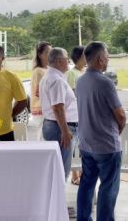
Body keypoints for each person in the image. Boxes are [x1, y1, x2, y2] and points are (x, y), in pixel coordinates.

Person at [76, 41, 126, 221]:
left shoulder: (80, 81)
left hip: (86, 143)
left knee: (87, 184)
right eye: (107, 55)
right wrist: (116, 132)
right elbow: (120, 115)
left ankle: (83, 218)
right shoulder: (105, 82)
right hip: (106, 146)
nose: (108, 59)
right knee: (108, 188)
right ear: (99, 59)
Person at [39, 47, 78, 181]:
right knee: (61, 171)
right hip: (59, 127)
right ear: (60, 61)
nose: (68, 62)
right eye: (67, 59)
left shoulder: (51, 77)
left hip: (55, 125)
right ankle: (58, 201)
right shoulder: (56, 79)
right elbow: (58, 108)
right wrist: (65, 131)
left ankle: (56, 200)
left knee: (58, 169)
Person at [66, 46, 86, 186]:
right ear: (78, 58)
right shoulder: (72, 73)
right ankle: (74, 175)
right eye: (84, 56)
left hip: (83, 115)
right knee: (74, 149)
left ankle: (80, 175)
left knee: (82, 147)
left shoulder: (83, 72)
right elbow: (72, 94)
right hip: (73, 116)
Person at [30, 41, 52, 140]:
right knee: (43, 136)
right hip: (41, 109)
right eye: (48, 52)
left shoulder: (49, 69)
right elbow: (39, 92)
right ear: (40, 55)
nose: (50, 55)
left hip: (48, 108)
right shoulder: (38, 71)